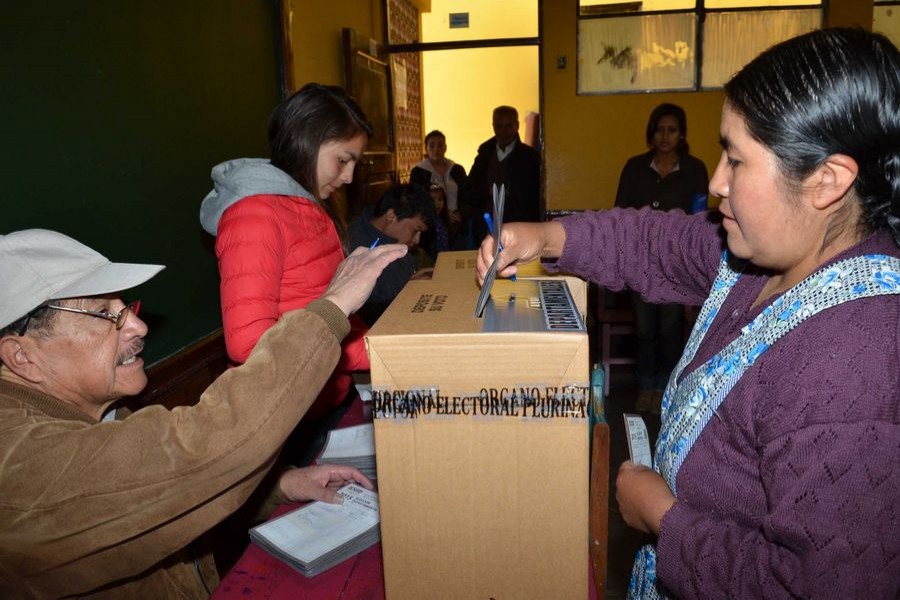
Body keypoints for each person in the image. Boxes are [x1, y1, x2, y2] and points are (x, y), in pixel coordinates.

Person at [476, 28, 900, 599]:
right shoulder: (765, 257)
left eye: (737, 160)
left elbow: (811, 586)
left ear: (827, 180)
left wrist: (665, 519)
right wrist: (547, 235)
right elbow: (653, 241)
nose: (718, 185)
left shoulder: (858, 360)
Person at [0, 228, 408, 598]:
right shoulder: (17, 461)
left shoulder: (100, 410)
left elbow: (161, 501)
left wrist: (279, 485)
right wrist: (332, 307)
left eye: (127, 307)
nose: (138, 327)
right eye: (107, 315)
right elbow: (200, 449)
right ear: (22, 357)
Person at [200, 83, 372, 423]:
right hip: (284, 416)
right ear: (307, 141)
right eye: (342, 160)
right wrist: (374, 354)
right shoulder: (255, 213)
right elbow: (250, 344)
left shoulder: (306, 206)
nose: (349, 176)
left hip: (323, 398)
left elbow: (327, 306)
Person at [615, 103, 710, 412]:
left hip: (676, 263)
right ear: (651, 133)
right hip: (640, 262)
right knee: (644, 330)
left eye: (672, 130)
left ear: (681, 134)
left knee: (670, 330)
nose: (665, 136)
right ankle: (646, 387)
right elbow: (620, 214)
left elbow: (699, 218)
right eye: (660, 130)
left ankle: (666, 389)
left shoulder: (695, 169)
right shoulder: (634, 167)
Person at [349, 183, 434, 326]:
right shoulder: (355, 245)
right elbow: (364, 308)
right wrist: (408, 289)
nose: (417, 240)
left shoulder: (397, 241)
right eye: (415, 230)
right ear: (391, 216)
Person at [464, 105, 541, 247]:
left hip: (519, 229)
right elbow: (469, 191)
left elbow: (535, 199)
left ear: (517, 126)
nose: (503, 132)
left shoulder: (530, 158)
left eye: (508, 126)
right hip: (486, 227)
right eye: (499, 126)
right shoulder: (484, 155)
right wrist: (487, 191)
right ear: (493, 126)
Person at [410, 130, 469, 249]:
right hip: (432, 225)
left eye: (440, 145)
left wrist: (461, 213)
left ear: (445, 148)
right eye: (432, 145)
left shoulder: (457, 170)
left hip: (456, 224)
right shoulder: (419, 172)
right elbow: (416, 200)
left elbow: (467, 195)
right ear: (426, 148)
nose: (436, 149)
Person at [424, 181, 451, 260]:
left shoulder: (442, 219)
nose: (437, 203)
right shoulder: (425, 222)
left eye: (440, 199)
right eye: (432, 200)